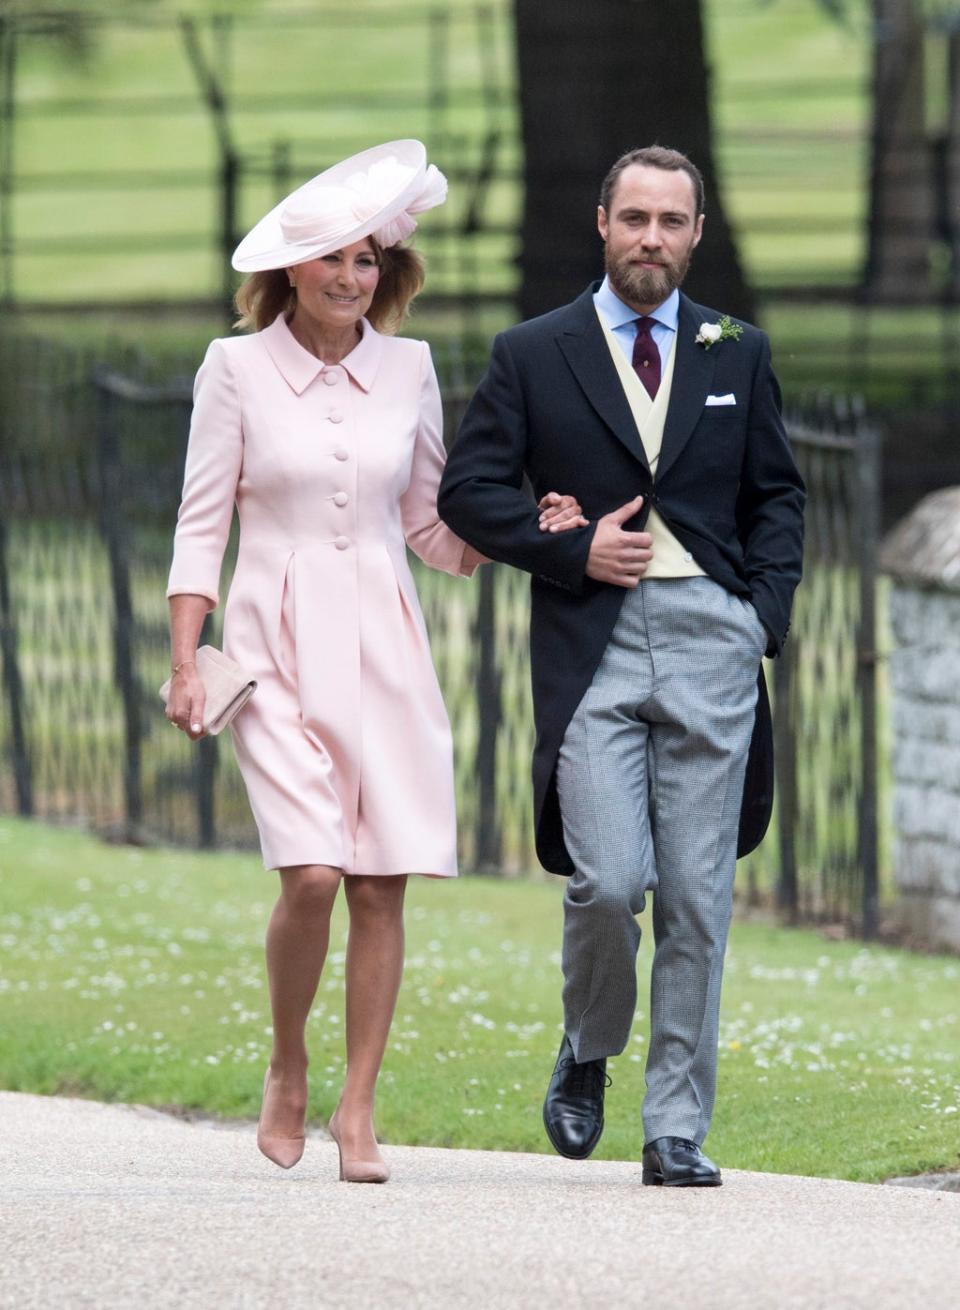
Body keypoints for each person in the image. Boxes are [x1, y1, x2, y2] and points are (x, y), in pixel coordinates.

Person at [165, 140, 584, 1182]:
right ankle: (287, 1064)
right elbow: (199, 522)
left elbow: (432, 526)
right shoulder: (235, 367)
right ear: (291, 270)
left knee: (382, 885)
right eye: (332, 260)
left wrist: (527, 526)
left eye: (368, 260)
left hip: (387, 643)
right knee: (311, 873)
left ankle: (359, 1106)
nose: (351, 277)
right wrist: (185, 657)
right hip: (274, 645)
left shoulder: (412, 366)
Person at [438, 145, 805, 1187]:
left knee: (697, 894)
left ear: (696, 233)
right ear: (601, 222)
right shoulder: (533, 350)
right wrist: (569, 544)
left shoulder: (738, 351)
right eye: (634, 217)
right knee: (607, 881)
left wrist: (758, 616)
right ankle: (589, 1046)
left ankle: (675, 1126)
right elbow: (469, 491)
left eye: (672, 221)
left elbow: (778, 495)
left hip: (713, 641)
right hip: (591, 643)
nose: (652, 237)